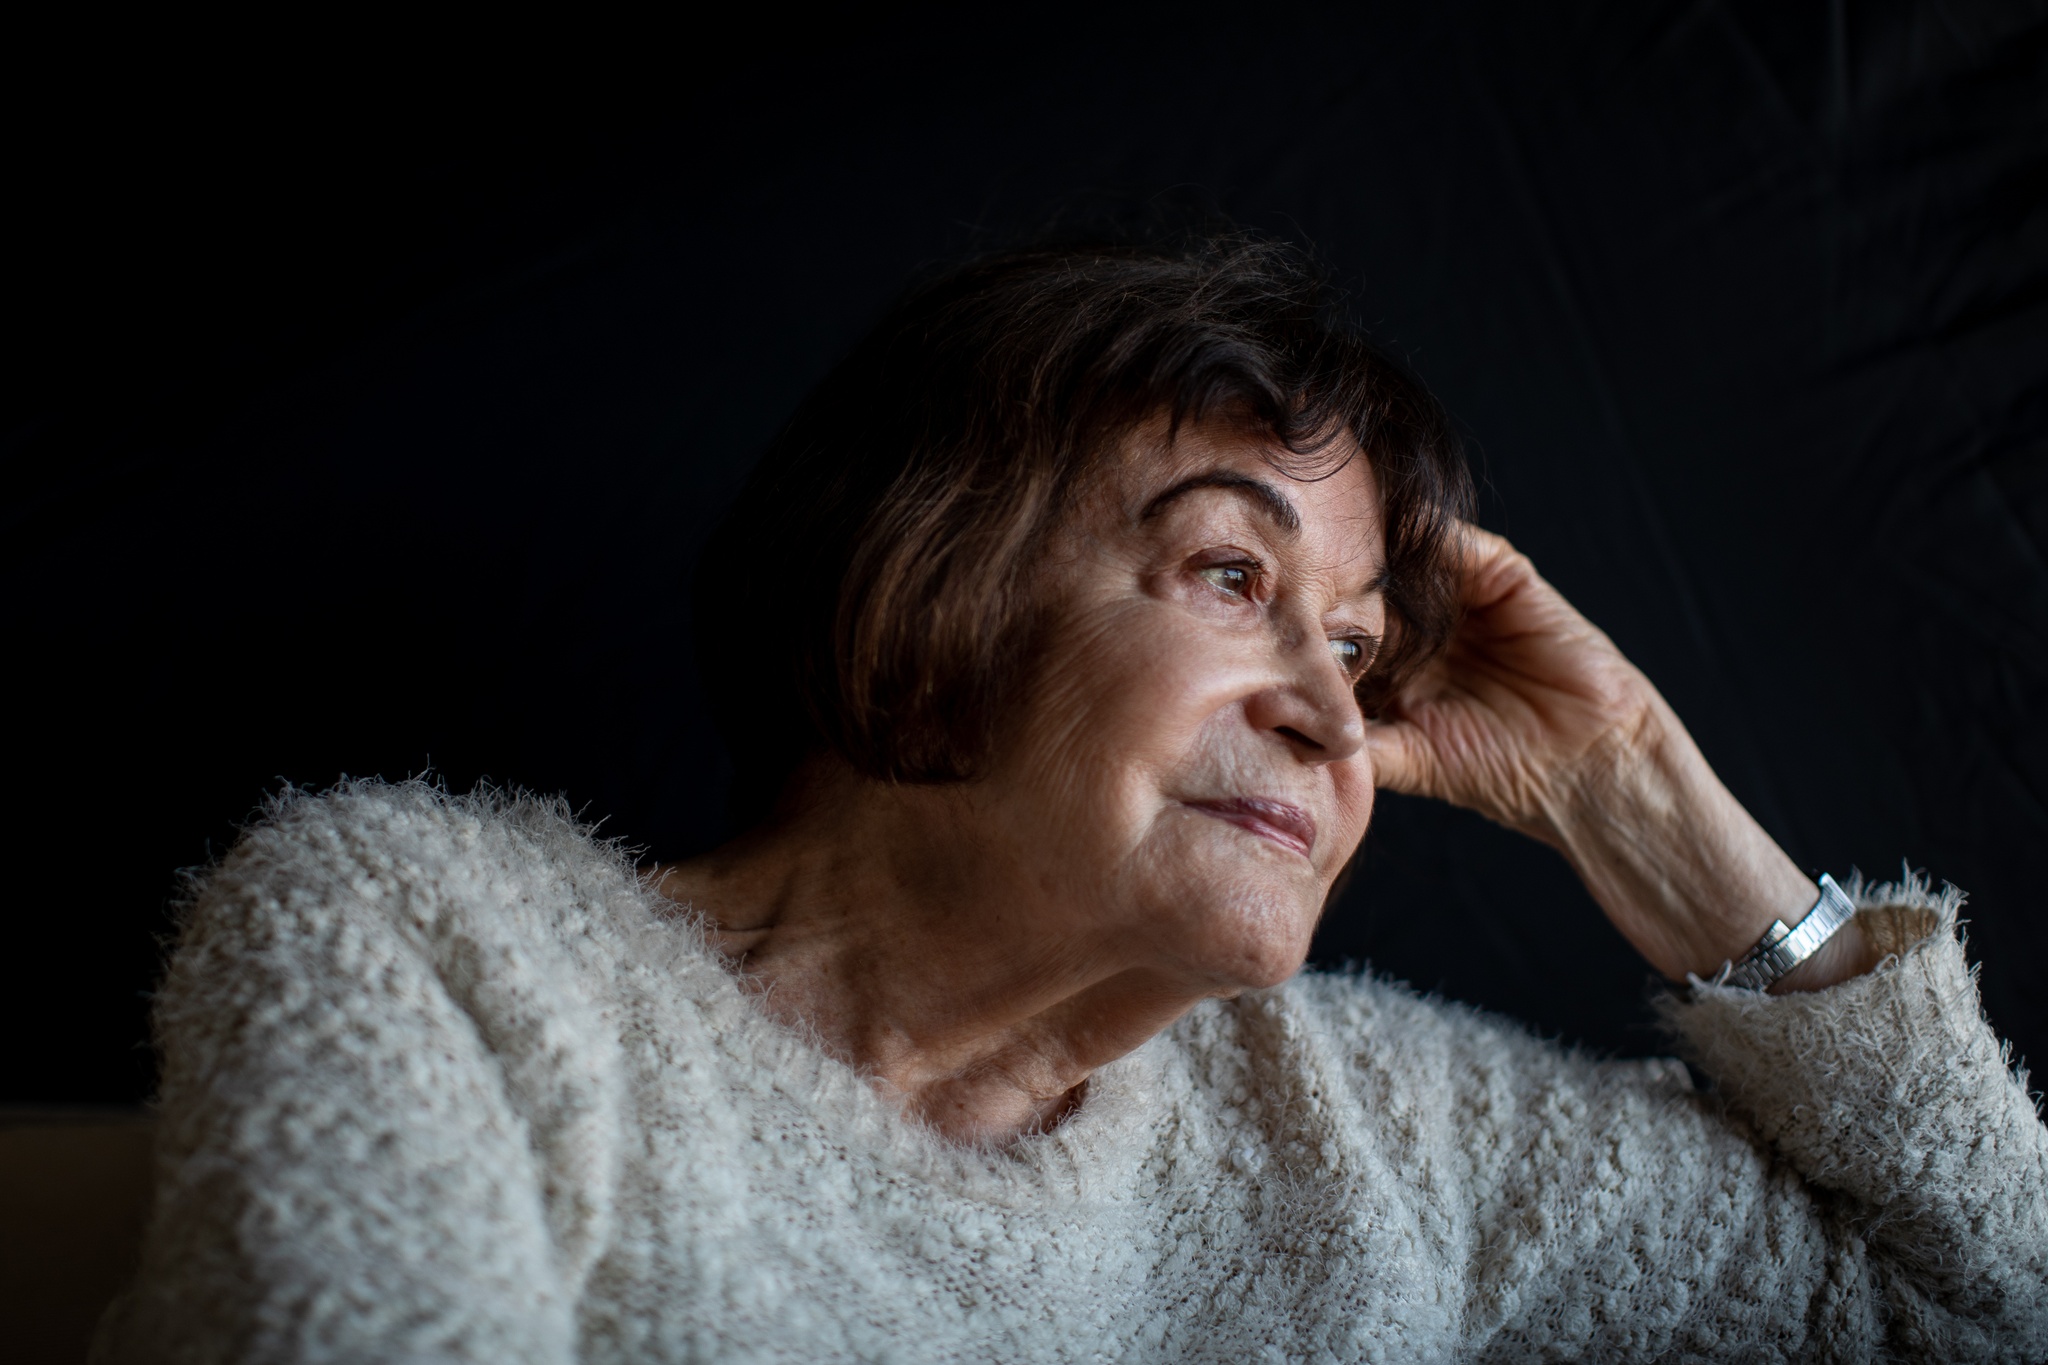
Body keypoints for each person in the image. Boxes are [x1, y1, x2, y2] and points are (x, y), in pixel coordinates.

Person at [98, 236, 2047, 1362]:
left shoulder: (1365, 1123)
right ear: (929, 581)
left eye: (1360, 651)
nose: (1327, 711)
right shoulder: (429, 941)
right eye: (1230, 576)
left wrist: (1635, 792)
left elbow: (1982, 1300)